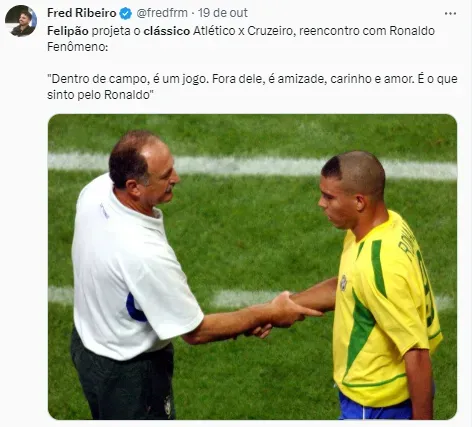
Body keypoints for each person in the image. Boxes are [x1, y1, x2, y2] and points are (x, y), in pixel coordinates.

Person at [69, 130, 321, 420]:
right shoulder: (144, 254)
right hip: (128, 373)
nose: (176, 178)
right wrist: (268, 313)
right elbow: (196, 331)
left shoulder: (96, 191)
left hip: (87, 344)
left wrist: (250, 320)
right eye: (166, 175)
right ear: (134, 187)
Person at [289, 151, 443, 420]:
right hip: (378, 398)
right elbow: (348, 285)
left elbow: (417, 355)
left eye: (329, 197)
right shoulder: (387, 225)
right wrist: (285, 307)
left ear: (359, 201)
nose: (321, 203)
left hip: (377, 404)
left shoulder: (378, 265)